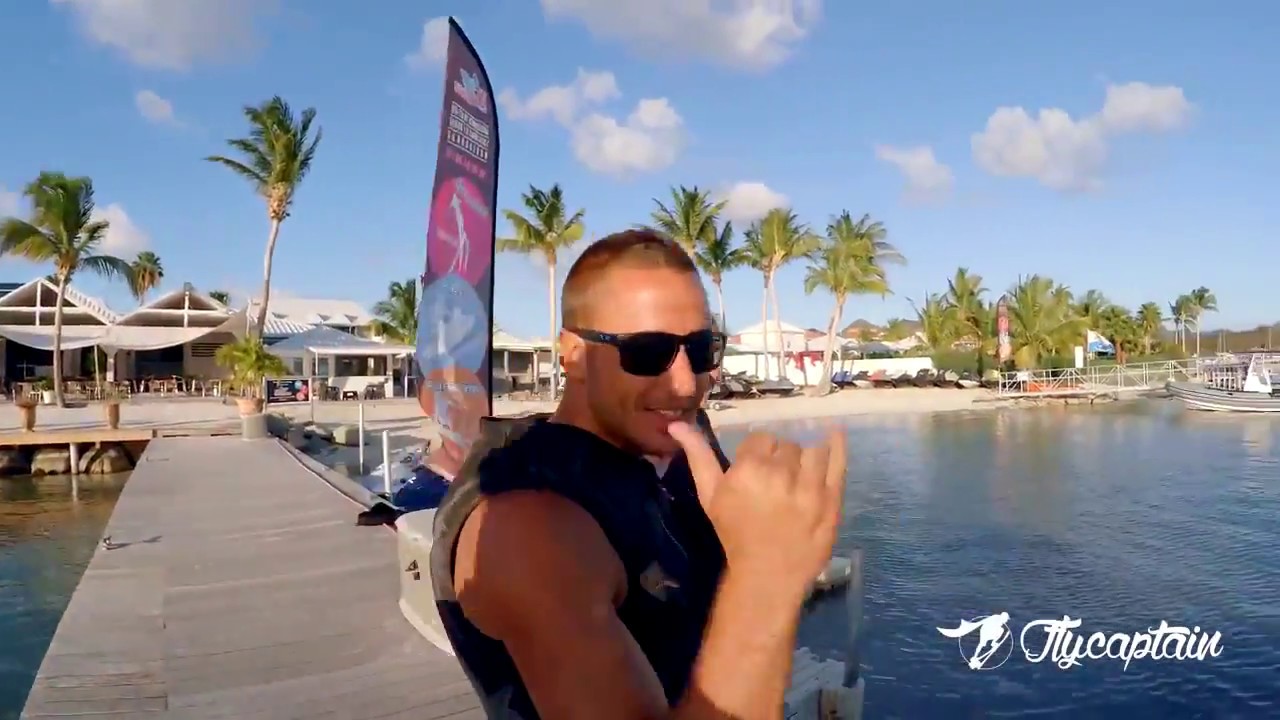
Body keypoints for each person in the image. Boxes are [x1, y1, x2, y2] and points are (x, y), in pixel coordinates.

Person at [431, 229, 847, 719]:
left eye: (700, 348)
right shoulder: (528, 526)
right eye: (647, 352)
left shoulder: (676, 443)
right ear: (573, 354)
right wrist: (766, 577)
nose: (685, 382)